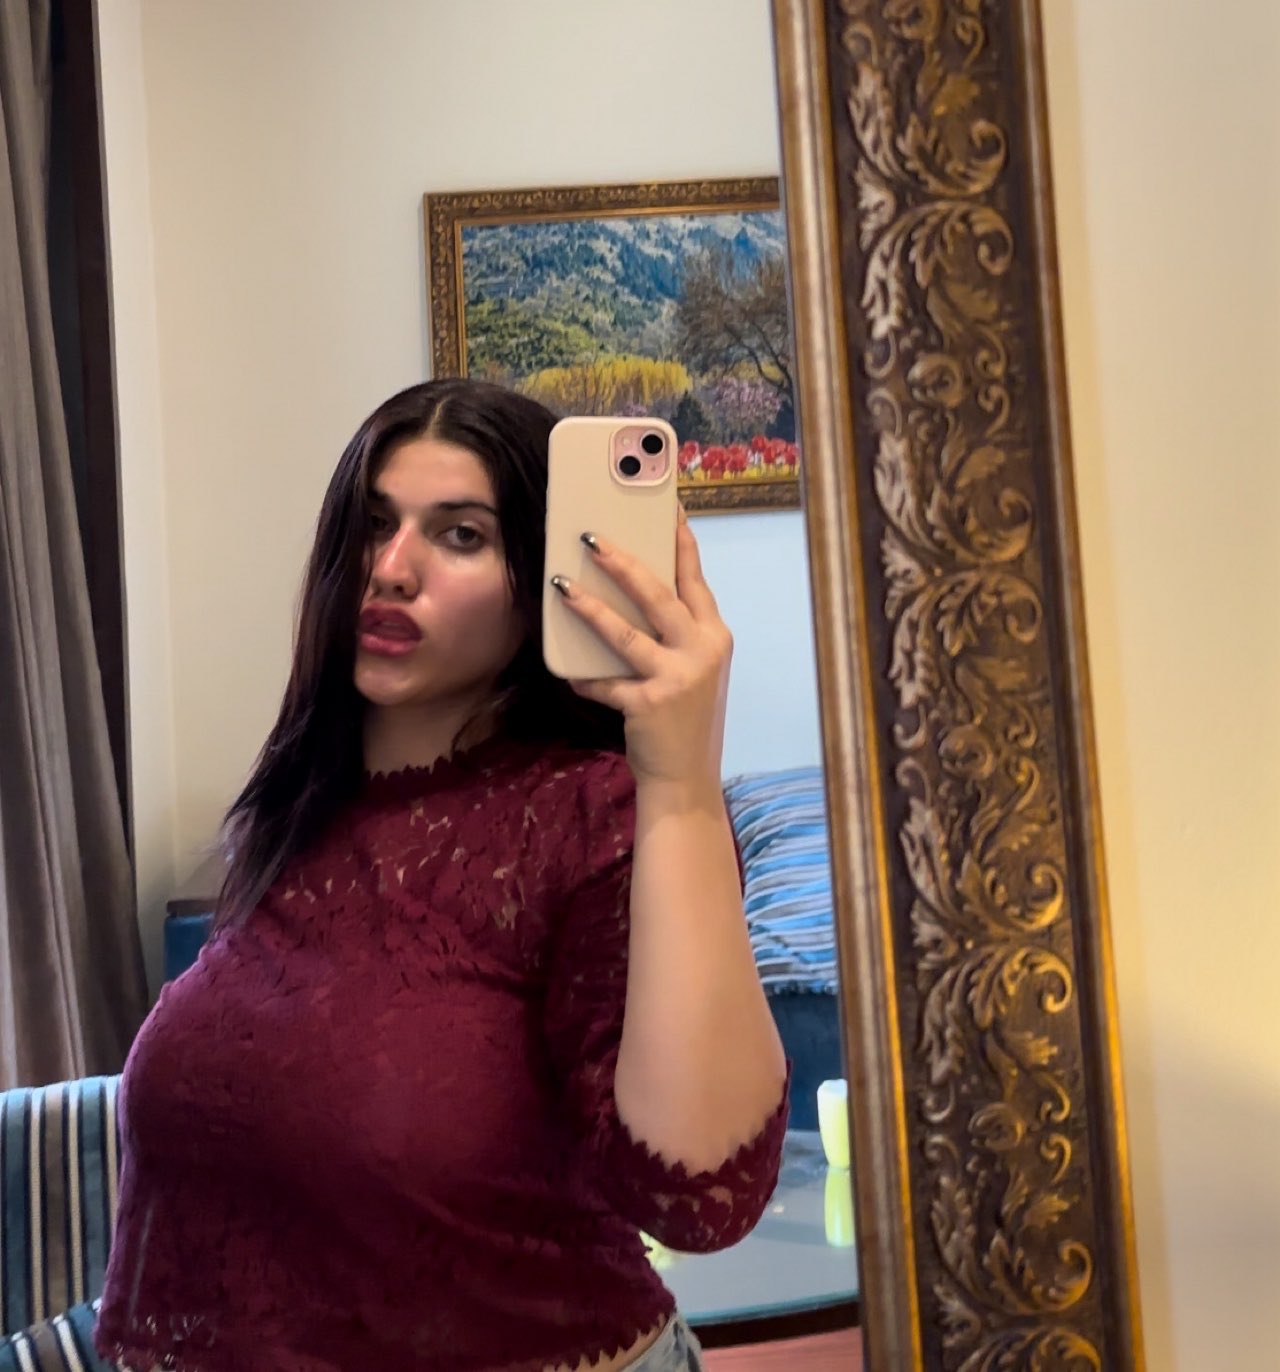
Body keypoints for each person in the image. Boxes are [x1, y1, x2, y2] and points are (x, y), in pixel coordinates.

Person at [93, 379, 790, 1372]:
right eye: (374, 524)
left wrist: (679, 784)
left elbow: (699, 1195)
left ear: (541, 574)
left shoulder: (593, 818)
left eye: (461, 535)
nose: (391, 569)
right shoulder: (299, 808)